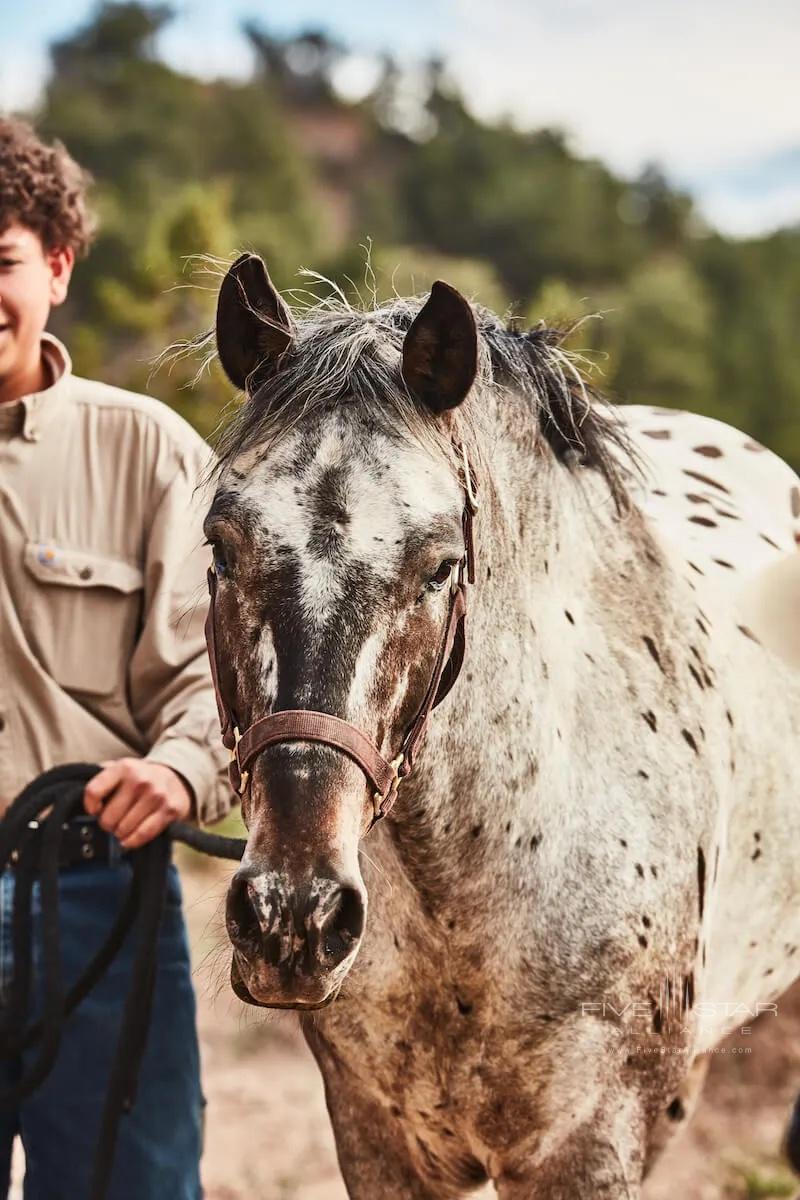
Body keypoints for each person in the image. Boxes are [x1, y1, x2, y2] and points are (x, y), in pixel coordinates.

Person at [0, 116, 231, 1199]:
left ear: (56, 263)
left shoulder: (150, 452)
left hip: (101, 908)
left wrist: (179, 769)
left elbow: (211, 681)